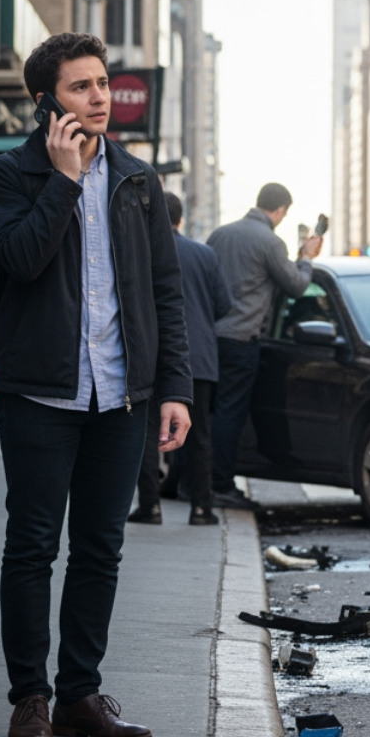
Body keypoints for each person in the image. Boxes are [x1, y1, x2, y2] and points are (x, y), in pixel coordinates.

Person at [0, 32, 192, 737]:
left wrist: (176, 389)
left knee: (100, 548)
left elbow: (166, 293)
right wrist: (64, 180)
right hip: (40, 394)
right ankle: (29, 700)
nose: (100, 97)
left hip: (120, 398)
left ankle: (80, 692)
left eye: (103, 84)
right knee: (32, 546)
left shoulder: (138, 181)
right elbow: (16, 261)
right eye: (81, 87)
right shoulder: (11, 175)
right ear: (46, 100)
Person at [207, 183, 321, 509]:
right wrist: (306, 257)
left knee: (206, 414)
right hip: (242, 340)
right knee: (230, 414)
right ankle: (221, 486)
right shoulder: (270, 241)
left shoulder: (220, 235)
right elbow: (297, 286)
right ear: (281, 210)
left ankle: (195, 484)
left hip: (209, 337)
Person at [130, 192, 231, 526]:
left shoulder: (141, 252)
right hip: (199, 357)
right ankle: (202, 508)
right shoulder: (205, 254)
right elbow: (223, 305)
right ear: (181, 219)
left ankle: (150, 506)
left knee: (146, 433)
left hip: (150, 355)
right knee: (200, 436)